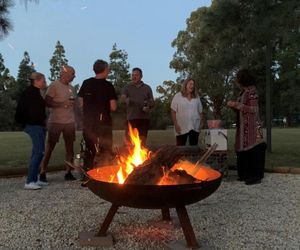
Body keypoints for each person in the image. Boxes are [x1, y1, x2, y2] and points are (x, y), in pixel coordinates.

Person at [227, 69, 266, 185]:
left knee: (253, 151)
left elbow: (254, 109)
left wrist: (236, 104)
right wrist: (234, 107)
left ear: (243, 79)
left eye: (238, 78)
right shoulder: (243, 92)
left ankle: (255, 176)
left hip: (253, 126)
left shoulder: (252, 91)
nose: (236, 80)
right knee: (242, 150)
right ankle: (245, 174)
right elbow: (243, 109)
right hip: (243, 126)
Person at [39, 65, 77, 182]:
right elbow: (47, 102)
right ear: (65, 74)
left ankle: (68, 172)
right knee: (50, 147)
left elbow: (73, 103)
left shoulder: (72, 88)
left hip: (70, 122)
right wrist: (62, 104)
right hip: (56, 121)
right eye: (72, 74)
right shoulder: (54, 85)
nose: (74, 76)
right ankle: (42, 171)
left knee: (70, 148)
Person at [78, 59, 117, 171]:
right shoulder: (108, 86)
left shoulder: (86, 83)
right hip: (104, 123)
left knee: (90, 150)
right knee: (105, 149)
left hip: (89, 123)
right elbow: (113, 107)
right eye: (108, 69)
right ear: (105, 70)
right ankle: (105, 175)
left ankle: (88, 176)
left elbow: (80, 103)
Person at [15, 72, 48, 190]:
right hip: (34, 125)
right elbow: (24, 110)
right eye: (43, 81)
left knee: (37, 152)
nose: (45, 83)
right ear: (37, 81)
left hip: (38, 125)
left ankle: (34, 178)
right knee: (39, 152)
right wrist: (26, 123)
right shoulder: (30, 93)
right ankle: (29, 181)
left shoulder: (35, 92)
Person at [121, 67, 154, 146]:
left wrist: (148, 107)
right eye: (132, 75)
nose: (134, 77)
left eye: (136, 75)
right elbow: (122, 98)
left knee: (142, 144)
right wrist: (125, 100)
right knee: (129, 143)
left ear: (141, 76)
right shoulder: (127, 87)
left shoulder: (147, 88)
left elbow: (152, 102)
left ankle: (141, 157)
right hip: (131, 118)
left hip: (144, 119)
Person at [170, 78, 204, 146]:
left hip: (194, 127)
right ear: (185, 85)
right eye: (190, 84)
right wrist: (176, 125)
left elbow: (200, 111)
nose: (192, 86)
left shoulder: (196, 97)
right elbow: (173, 111)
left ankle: (193, 157)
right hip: (181, 127)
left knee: (193, 149)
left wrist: (201, 123)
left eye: (193, 84)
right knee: (180, 150)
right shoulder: (178, 96)